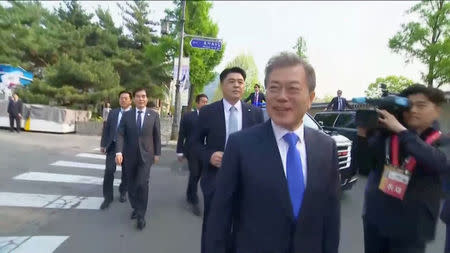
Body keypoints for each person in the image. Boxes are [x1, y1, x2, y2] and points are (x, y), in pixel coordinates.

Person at [205, 52, 340, 253]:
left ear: (310, 98)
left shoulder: (326, 147)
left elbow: (331, 218)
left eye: (293, 89)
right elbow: (219, 221)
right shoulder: (240, 145)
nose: (282, 97)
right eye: (274, 88)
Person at [355, 84, 450, 253]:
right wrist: (362, 134)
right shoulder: (388, 136)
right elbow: (364, 166)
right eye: (408, 105)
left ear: (437, 110)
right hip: (376, 219)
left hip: (412, 226)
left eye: (421, 105)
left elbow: (440, 162)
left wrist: (401, 130)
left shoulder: (443, 141)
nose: (413, 110)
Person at [196, 67, 264, 253]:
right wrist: (208, 155)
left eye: (240, 82)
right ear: (222, 84)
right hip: (215, 179)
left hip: (246, 182)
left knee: (243, 228)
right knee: (214, 228)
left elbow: (262, 147)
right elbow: (193, 144)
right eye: (231, 81)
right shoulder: (208, 112)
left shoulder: (255, 113)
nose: (236, 85)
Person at [115, 88, 161, 230]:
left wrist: (157, 153)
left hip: (146, 156)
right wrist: (118, 152)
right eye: (138, 97)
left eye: (144, 96)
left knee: (142, 184)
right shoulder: (127, 116)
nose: (141, 99)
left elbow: (157, 136)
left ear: (146, 99)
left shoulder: (153, 115)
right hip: (129, 156)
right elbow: (121, 135)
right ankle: (135, 207)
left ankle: (141, 215)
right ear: (134, 99)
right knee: (131, 185)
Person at [176, 93, 209, 216]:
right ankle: (194, 200)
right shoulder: (188, 116)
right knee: (195, 173)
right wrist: (179, 151)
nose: (205, 104)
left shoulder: (210, 117)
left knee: (198, 174)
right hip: (191, 150)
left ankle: (189, 192)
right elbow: (182, 135)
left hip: (205, 151)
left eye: (206, 102)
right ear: (197, 103)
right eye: (203, 102)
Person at [99, 91, 132, 210]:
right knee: (109, 171)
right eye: (121, 98)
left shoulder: (134, 114)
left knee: (127, 173)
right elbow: (106, 129)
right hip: (112, 146)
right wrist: (103, 144)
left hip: (128, 149)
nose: (123, 100)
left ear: (130, 100)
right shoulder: (113, 113)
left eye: (126, 98)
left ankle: (123, 191)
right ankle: (108, 197)